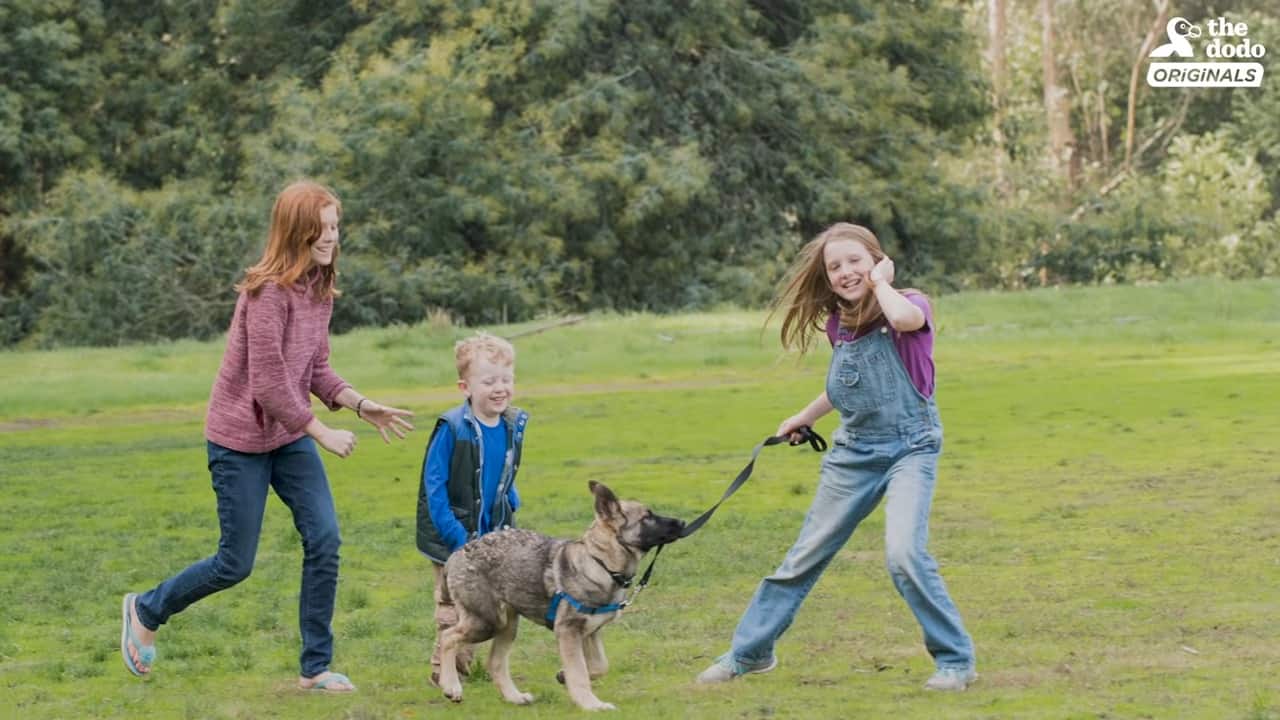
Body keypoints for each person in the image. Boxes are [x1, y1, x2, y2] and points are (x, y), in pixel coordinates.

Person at [119, 180, 415, 693]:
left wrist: (362, 404)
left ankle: (314, 668)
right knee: (235, 564)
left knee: (325, 540)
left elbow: (315, 368)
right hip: (239, 442)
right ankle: (146, 609)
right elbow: (270, 383)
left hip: (287, 436)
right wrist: (321, 430)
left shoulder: (319, 287)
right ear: (296, 233)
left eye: (335, 227)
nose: (331, 238)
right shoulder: (268, 293)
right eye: (321, 230)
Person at [696, 222, 976, 691]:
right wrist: (803, 416)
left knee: (904, 553)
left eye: (855, 261)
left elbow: (904, 321)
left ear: (876, 261)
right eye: (834, 266)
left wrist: (882, 283)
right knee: (802, 557)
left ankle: (955, 661)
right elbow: (845, 385)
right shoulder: (837, 324)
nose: (845, 272)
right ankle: (750, 652)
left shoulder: (910, 304)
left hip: (912, 447)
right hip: (855, 452)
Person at [417, 332, 528, 687]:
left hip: (492, 533)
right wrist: (455, 536)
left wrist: (511, 498)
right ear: (465, 386)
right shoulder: (451, 428)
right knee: (452, 600)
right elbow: (433, 489)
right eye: (489, 381)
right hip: (452, 532)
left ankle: (464, 666)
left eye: (506, 379)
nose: (500, 388)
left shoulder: (511, 425)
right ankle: (443, 669)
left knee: (485, 599)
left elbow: (503, 470)